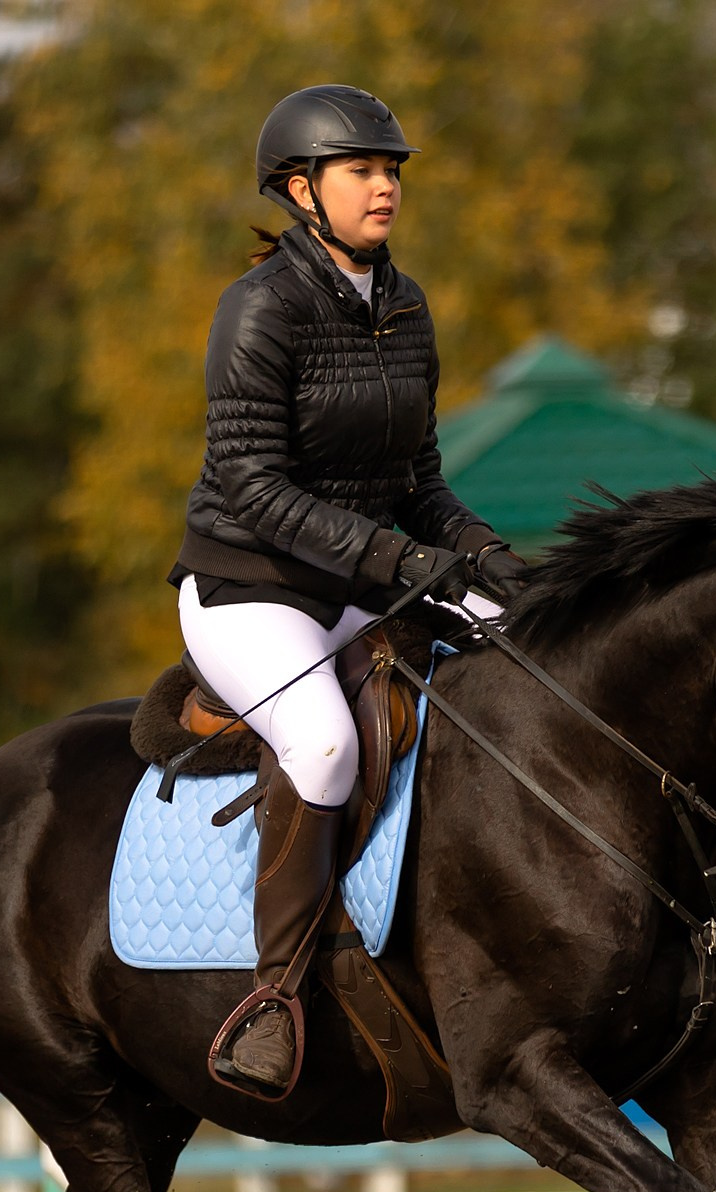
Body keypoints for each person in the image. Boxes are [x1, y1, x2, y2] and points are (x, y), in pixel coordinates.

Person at [178, 84, 526, 1098]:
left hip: (365, 582)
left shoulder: (405, 307)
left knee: (525, 657)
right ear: (302, 190)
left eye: (392, 171)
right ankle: (274, 997)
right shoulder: (258, 308)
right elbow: (253, 485)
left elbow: (420, 480)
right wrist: (396, 562)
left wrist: (487, 556)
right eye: (362, 170)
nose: (385, 187)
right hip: (253, 590)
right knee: (326, 745)